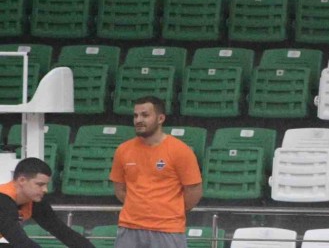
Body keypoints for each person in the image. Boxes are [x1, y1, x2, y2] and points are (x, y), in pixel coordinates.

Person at [109, 96, 203, 248]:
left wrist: (168, 210)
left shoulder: (180, 150)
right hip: (129, 227)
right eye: (136, 115)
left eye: (145, 115)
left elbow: (194, 192)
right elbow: (119, 189)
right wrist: (140, 208)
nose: (138, 120)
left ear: (160, 118)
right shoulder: (123, 150)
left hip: (168, 229)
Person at [0, 157, 95, 248]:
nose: (45, 190)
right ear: (22, 180)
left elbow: (62, 231)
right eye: (40, 184)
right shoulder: (3, 201)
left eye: (46, 185)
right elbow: (19, 241)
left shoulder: (33, 200)